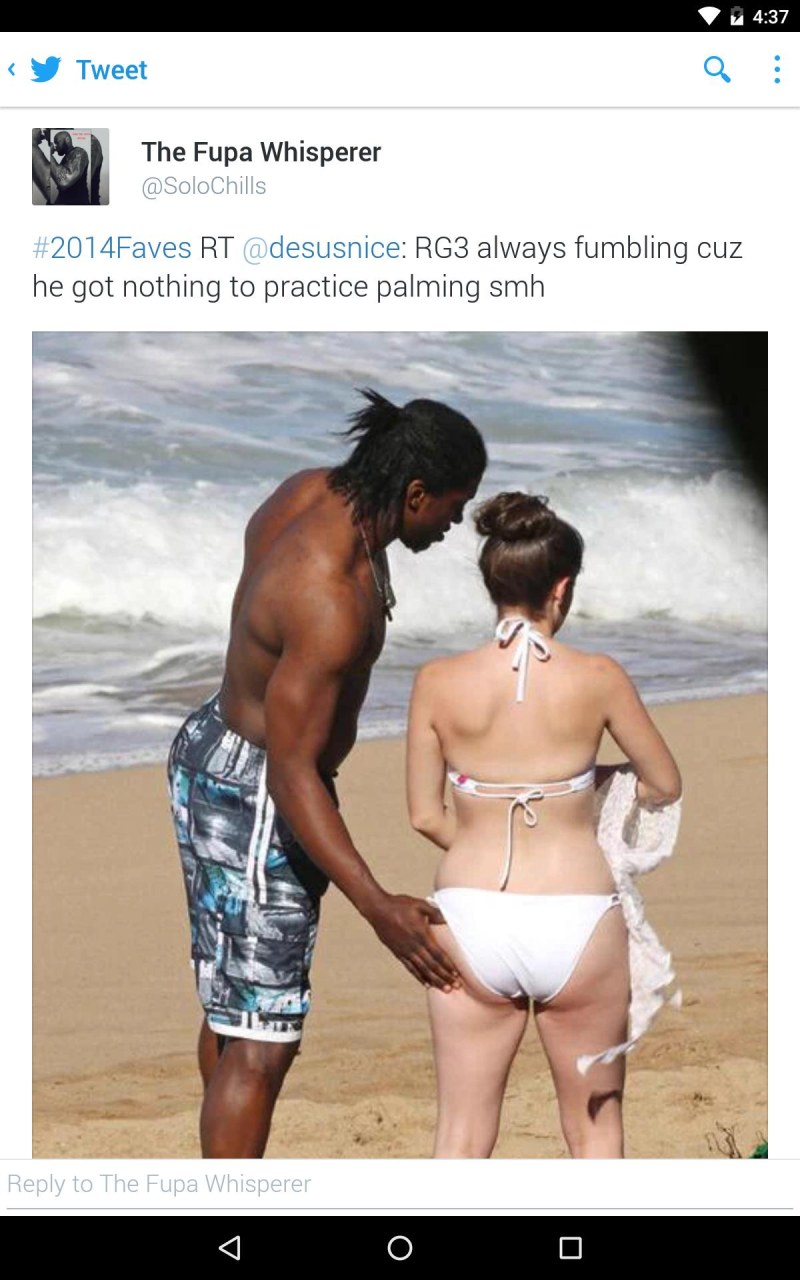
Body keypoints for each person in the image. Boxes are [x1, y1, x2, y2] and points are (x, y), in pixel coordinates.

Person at [168, 389, 486, 1158]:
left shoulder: (310, 491)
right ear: (416, 493)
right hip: (258, 793)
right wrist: (378, 907)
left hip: (214, 749)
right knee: (263, 1041)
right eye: (454, 506)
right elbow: (291, 773)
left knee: (236, 1009)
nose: (455, 524)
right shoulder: (331, 597)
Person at [406, 491, 681, 1158]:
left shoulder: (436, 680)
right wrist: (586, 791)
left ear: (492, 585)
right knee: (595, 1132)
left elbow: (423, 814)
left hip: (469, 915)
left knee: (460, 1138)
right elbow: (664, 784)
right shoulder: (599, 676)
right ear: (561, 588)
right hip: (577, 915)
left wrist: (483, 830)